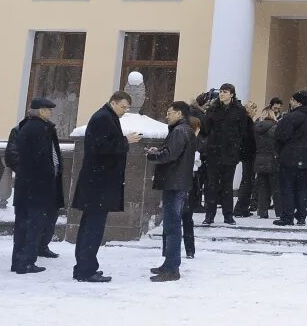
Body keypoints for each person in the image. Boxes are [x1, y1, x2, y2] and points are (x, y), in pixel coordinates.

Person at [72, 92, 141, 283]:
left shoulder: (105, 116)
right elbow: (101, 147)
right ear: (113, 103)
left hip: (97, 184)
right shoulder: (103, 118)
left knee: (90, 226)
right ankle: (86, 270)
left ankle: (85, 267)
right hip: (98, 184)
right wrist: (125, 141)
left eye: (127, 108)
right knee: (92, 228)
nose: (125, 111)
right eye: (123, 107)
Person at [10, 97, 64, 274]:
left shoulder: (29, 128)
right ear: (41, 111)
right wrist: (49, 175)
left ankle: (20, 261)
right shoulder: (39, 129)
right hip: (36, 187)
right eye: (48, 110)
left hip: (27, 186)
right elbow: (41, 158)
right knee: (32, 226)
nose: (50, 113)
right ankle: (26, 262)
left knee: (24, 226)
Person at [145, 101, 197, 282]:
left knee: (172, 226)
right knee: (171, 225)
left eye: (170, 112)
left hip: (175, 183)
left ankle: (172, 267)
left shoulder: (180, 131)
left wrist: (153, 155)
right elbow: (173, 152)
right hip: (176, 182)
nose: (167, 115)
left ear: (180, 114)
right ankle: (169, 264)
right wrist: (159, 151)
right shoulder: (183, 131)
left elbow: (171, 154)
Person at [200, 83, 252, 226]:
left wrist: (238, 150)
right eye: (221, 91)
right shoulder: (213, 108)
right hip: (213, 152)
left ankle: (228, 215)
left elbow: (243, 132)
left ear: (232, 94)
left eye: (225, 92)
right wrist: (208, 114)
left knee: (227, 185)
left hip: (230, 153)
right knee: (211, 185)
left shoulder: (239, 110)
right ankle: (209, 215)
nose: (222, 94)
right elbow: (205, 129)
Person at [273, 90, 307, 226]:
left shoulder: (293, 117)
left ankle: (287, 216)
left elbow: (281, 135)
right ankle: (301, 216)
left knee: (288, 188)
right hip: (306, 158)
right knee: (302, 189)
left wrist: (279, 151)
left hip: (290, 158)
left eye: (291, 100)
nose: (290, 102)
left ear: (297, 102)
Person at [252, 101, 279, 219]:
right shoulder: (275, 128)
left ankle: (262, 211)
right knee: (276, 187)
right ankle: (280, 210)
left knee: (262, 187)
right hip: (272, 159)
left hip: (259, 159)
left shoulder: (256, 128)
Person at [232, 101, 258, 217]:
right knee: (247, 180)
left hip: (247, 154)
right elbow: (248, 139)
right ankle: (240, 207)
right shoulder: (247, 122)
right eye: (254, 109)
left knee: (247, 180)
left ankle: (242, 207)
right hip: (249, 154)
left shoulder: (245, 121)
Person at [183, 114, 201, 258]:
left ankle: (168, 248)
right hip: (189, 180)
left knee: (181, 217)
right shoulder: (194, 142)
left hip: (183, 180)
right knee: (187, 217)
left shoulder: (184, 139)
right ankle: (190, 249)